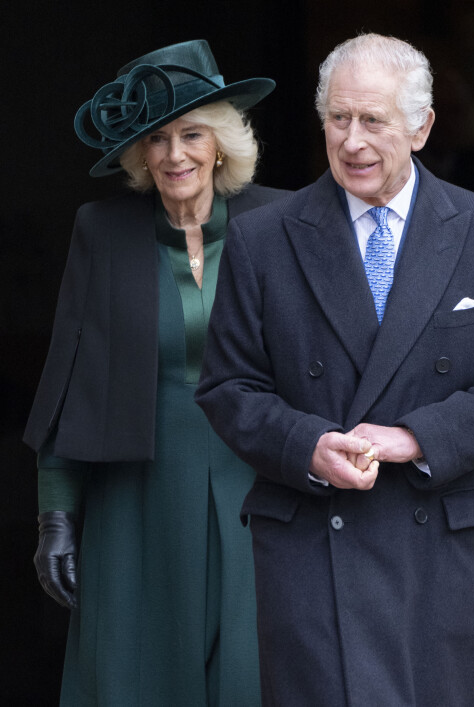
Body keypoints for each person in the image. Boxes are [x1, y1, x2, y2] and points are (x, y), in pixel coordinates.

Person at [195, 33, 474, 707]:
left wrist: (412, 436)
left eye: (373, 121)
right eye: (338, 118)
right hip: (311, 545)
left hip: (437, 549)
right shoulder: (264, 238)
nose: (352, 141)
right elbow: (228, 386)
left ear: (421, 128)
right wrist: (308, 445)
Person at [24, 39, 289, 706]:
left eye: (192, 134)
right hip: (134, 490)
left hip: (254, 488)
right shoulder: (102, 230)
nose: (176, 155)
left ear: (221, 142)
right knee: (136, 672)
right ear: (138, 154)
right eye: (157, 138)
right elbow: (67, 378)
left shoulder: (282, 223)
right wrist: (55, 513)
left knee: (255, 673)